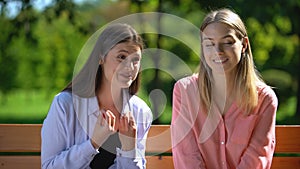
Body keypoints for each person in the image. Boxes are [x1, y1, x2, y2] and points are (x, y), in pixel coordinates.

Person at [171, 8, 278, 169]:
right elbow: (187, 157)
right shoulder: (185, 91)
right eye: (209, 44)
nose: (218, 51)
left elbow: (256, 159)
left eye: (227, 42)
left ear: (244, 45)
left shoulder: (265, 99)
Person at [41, 23, 153, 169]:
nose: (130, 67)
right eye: (121, 57)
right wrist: (93, 143)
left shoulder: (140, 112)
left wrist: (129, 150)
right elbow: (49, 166)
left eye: (135, 60)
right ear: (101, 58)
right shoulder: (65, 104)